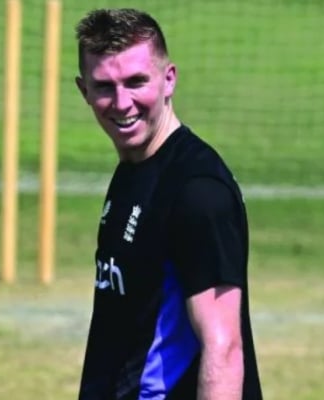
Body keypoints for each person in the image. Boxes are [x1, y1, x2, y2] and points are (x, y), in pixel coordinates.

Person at [74, 8, 263, 400]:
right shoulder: (135, 168)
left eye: (136, 81)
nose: (122, 102)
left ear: (168, 80)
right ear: (84, 91)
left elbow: (223, 347)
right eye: (105, 86)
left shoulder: (198, 192)